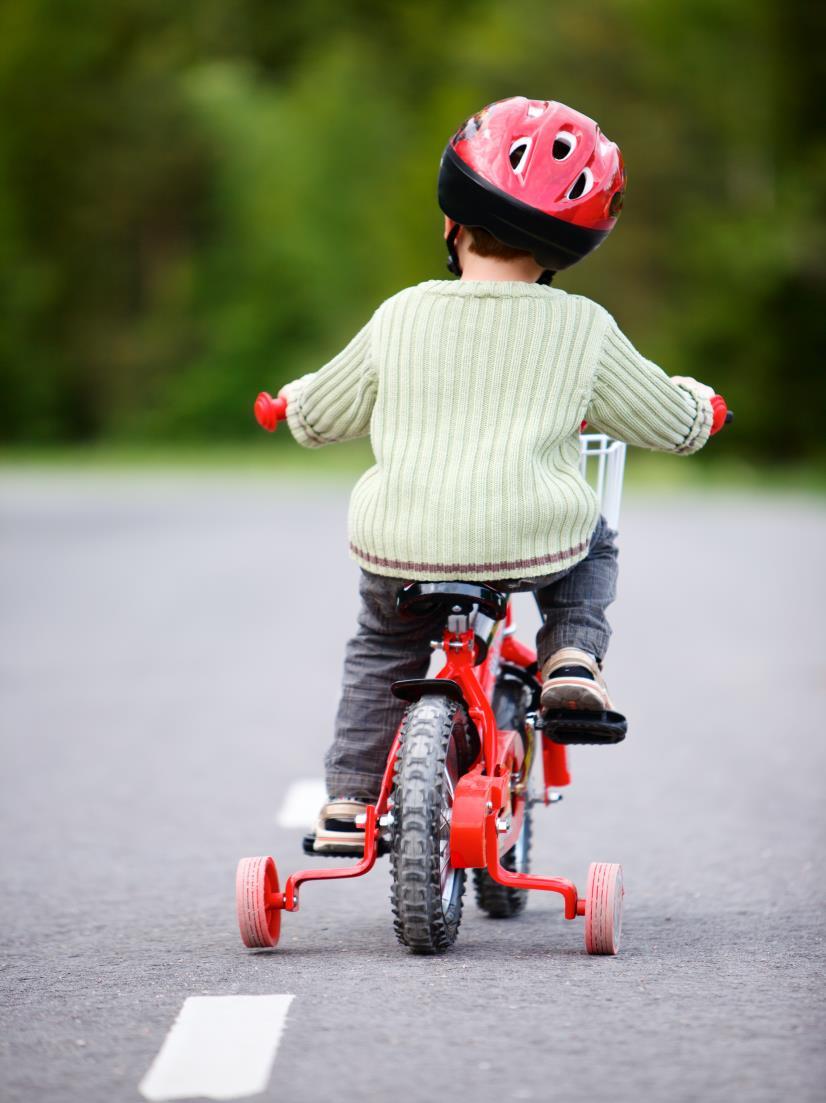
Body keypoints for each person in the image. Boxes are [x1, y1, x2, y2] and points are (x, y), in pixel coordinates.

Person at [278, 97, 729, 853]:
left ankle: (351, 803)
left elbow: (319, 414)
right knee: (593, 537)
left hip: (403, 543)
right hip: (528, 540)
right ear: (565, 249)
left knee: (380, 651)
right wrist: (700, 407)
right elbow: (668, 423)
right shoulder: (581, 328)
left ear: (451, 223)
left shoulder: (401, 315)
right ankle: (571, 655)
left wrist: (288, 403)